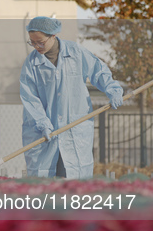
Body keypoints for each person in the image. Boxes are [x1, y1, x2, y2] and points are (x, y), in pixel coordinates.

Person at [19, 16, 124, 179]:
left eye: (40, 42)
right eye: (32, 42)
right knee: (43, 184)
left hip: (75, 128)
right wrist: (42, 122)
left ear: (52, 35)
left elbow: (99, 71)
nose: (36, 46)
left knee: (75, 179)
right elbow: (29, 97)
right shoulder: (31, 64)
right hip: (44, 133)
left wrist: (112, 89)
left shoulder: (76, 52)